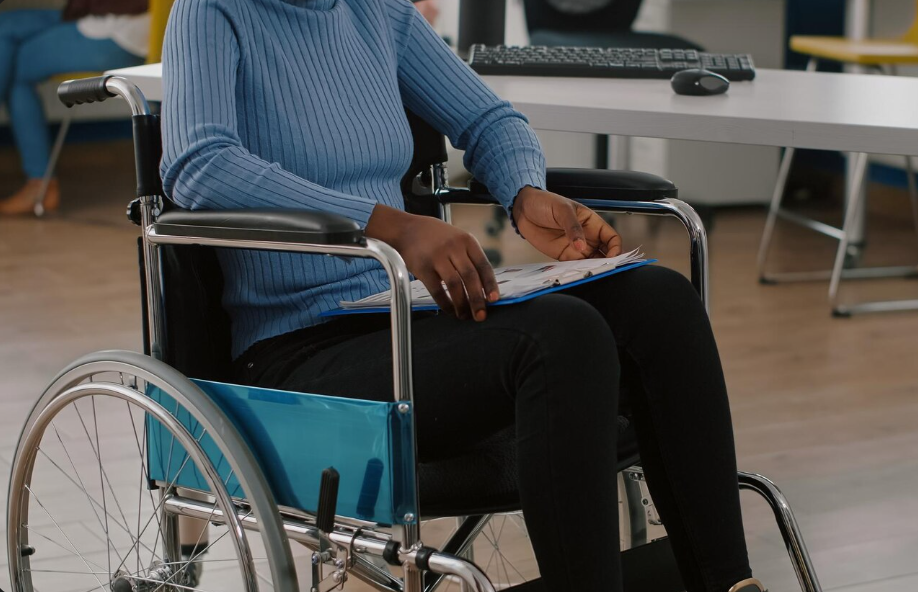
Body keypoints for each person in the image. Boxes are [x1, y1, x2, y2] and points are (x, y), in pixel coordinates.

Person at [160, 1, 765, 591]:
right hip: (298, 348)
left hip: (402, 315)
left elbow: (488, 120)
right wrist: (391, 225)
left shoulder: (377, 11)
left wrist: (524, 192)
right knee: (561, 337)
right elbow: (199, 165)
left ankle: (726, 582)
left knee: (659, 299)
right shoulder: (211, 10)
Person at [0, 0, 149, 216]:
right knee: (7, 26)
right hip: (126, 22)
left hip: (118, 29)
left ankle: (40, 184)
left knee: (17, 64)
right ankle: (40, 185)